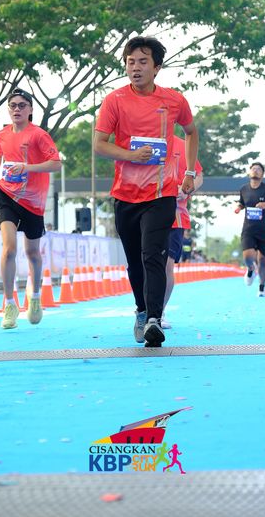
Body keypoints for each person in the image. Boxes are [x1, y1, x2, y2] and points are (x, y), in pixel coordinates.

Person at [94, 35, 198, 348]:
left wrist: (189, 172)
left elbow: (191, 132)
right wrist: (130, 155)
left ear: (156, 67)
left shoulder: (174, 100)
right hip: (125, 194)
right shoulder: (114, 100)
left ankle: (154, 318)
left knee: (154, 255)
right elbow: (99, 145)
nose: (135, 68)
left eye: (142, 62)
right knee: (135, 261)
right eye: (130, 62)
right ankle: (141, 310)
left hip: (161, 193)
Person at [0, 88, 61, 330]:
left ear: (30, 110)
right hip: (6, 194)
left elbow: (56, 164)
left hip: (33, 201)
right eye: (13, 105)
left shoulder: (39, 135)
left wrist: (27, 168)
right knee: (9, 249)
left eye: (22, 105)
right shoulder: (2, 134)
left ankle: (34, 297)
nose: (17, 109)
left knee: (32, 253)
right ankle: (9, 304)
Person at [162, 134, 203, 329]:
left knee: (167, 265)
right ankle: (143, 309)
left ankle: (158, 311)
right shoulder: (144, 140)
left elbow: (199, 175)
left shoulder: (183, 145)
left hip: (175, 216)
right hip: (145, 214)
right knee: (148, 265)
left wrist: (187, 188)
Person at [235, 162, 265, 297]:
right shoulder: (244, 189)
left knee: (263, 259)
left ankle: (261, 287)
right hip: (248, 229)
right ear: (249, 172)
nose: (255, 171)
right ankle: (250, 269)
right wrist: (239, 207)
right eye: (253, 169)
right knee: (248, 256)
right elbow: (242, 202)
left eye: (258, 169)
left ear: (262, 174)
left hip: (264, 229)